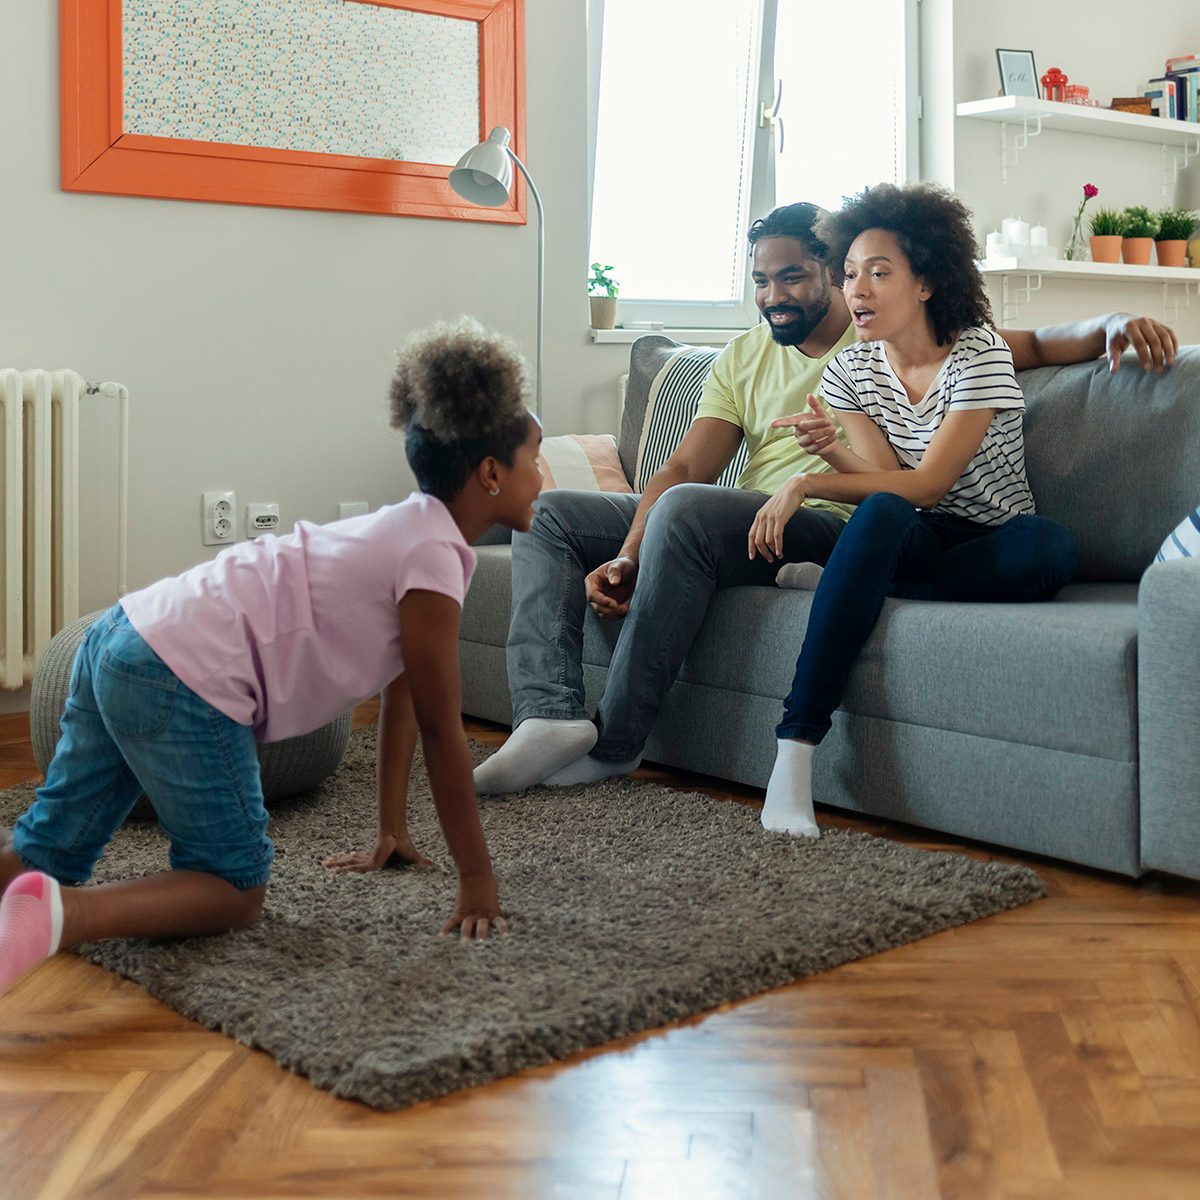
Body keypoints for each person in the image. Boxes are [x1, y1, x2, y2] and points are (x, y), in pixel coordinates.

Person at [472, 200, 1177, 798]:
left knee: (693, 507)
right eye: (761, 280)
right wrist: (631, 551)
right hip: (772, 515)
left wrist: (1110, 322)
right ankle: (548, 715)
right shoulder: (777, 357)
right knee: (555, 513)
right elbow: (689, 462)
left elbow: (1024, 351)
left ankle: (619, 738)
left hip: (843, 523)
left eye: (796, 276)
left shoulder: (916, 340)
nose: (775, 293)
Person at [0, 318, 542, 998]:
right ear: (492, 474)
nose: (543, 475)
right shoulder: (434, 556)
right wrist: (477, 879)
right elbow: (442, 731)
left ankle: (37, 893)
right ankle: (60, 917)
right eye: (537, 458)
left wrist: (391, 830)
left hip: (125, 634)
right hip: (181, 676)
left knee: (49, 849)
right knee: (234, 884)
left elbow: (405, 699)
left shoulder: (408, 530)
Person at [752, 183, 1079, 837]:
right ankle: (794, 752)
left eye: (879, 272)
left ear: (925, 281)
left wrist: (808, 482)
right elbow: (889, 483)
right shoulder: (849, 375)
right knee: (878, 516)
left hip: (988, 536)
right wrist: (835, 455)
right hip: (916, 529)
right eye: (850, 274)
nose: (858, 291)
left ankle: (859, 578)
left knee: (1051, 547)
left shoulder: (977, 353)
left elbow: (931, 482)